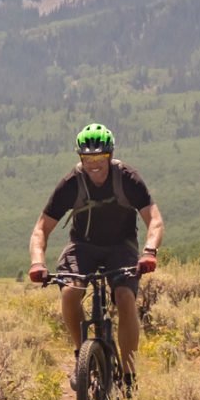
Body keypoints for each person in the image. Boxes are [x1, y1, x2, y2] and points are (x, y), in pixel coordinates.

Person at [27, 123, 164, 384]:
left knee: (124, 296)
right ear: (80, 157)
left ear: (110, 155)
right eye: (88, 158)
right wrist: (37, 263)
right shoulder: (71, 183)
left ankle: (129, 374)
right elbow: (41, 229)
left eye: (99, 157)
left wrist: (149, 252)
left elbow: (155, 220)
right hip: (82, 246)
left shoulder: (127, 178)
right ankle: (82, 357)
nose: (94, 164)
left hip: (121, 246)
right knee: (70, 291)